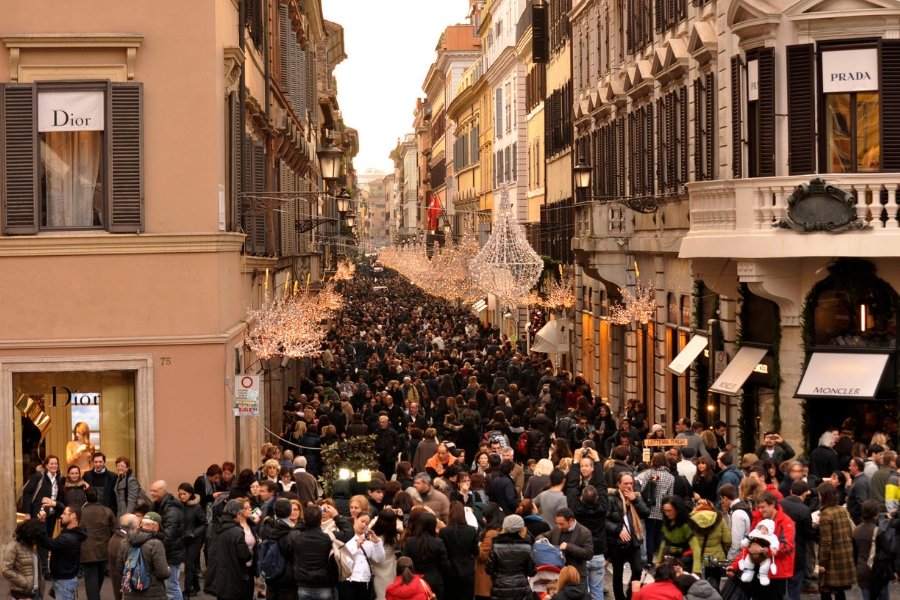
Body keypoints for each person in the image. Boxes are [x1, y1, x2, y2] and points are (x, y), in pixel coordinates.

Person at [606, 471, 649, 600]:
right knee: (618, 574)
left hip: (634, 540)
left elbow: (646, 513)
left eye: (631, 483)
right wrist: (617, 530)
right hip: (617, 542)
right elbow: (604, 520)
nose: (629, 486)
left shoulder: (636, 497)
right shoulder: (611, 499)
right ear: (619, 484)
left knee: (637, 569)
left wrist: (635, 500)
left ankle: (632, 594)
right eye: (625, 483)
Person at [293, 504, 349, 599]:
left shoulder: (296, 538)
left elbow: (296, 528)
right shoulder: (328, 538)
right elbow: (348, 532)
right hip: (324, 585)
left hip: (303, 586)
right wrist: (336, 516)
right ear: (320, 520)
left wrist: (308, 515)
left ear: (304, 520)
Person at [205, 499, 254, 600]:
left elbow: (207, 549)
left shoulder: (213, 527)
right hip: (234, 577)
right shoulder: (237, 532)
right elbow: (245, 555)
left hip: (217, 575)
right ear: (238, 513)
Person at [116, 512, 171, 600]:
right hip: (154, 595)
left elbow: (120, 568)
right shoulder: (156, 544)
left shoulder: (124, 542)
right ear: (155, 526)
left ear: (141, 524)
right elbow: (163, 573)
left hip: (130, 594)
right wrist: (167, 569)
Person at [37, 505, 87, 600]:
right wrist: (54, 503)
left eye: (64, 514)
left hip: (64, 582)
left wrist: (42, 522)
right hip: (66, 578)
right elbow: (62, 510)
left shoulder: (68, 538)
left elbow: (48, 543)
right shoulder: (75, 532)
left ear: (73, 516)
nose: (61, 516)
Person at [815, 482, 855, 600]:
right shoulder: (842, 510)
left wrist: (822, 562)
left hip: (832, 558)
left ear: (823, 496)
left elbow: (826, 542)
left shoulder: (825, 514)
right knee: (839, 590)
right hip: (845, 554)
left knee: (825, 589)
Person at [401, 509, 451, 598]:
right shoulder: (438, 542)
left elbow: (404, 561)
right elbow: (446, 565)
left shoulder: (409, 541)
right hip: (435, 581)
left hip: (414, 580)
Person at [543, 508, 594, 595]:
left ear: (571, 520)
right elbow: (545, 535)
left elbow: (588, 554)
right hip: (558, 576)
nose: (559, 526)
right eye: (557, 523)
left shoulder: (584, 532)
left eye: (562, 524)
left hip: (576, 577)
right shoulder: (557, 529)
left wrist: (568, 547)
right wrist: (541, 538)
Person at [149, 480, 186, 600]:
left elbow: (169, 536)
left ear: (163, 491)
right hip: (165, 552)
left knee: (171, 587)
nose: (152, 493)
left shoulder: (172, 509)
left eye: (155, 491)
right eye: (151, 490)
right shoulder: (157, 505)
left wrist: (157, 552)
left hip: (171, 554)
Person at [779, 481, 815, 600]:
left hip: (779, 551)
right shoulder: (804, 510)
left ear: (791, 491)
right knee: (794, 589)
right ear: (805, 494)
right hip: (796, 554)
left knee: (780, 590)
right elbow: (809, 535)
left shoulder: (779, 505)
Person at [486, 515, 535, 600]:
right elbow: (532, 571)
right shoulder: (526, 547)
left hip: (500, 588)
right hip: (521, 588)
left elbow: (489, 570)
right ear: (521, 528)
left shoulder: (496, 546)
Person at [339, 511, 386, 600]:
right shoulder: (346, 535)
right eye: (362, 521)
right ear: (356, 519)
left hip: (364, 580)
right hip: (348, 579)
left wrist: (376, 542)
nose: (364, 525)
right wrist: (356, 545)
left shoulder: (369, 539)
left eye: (367, 523)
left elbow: (380, 559)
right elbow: (342, 556)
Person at [80, 487, 117, 600]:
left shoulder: (81, 512)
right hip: (104, 549)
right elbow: (115, 528)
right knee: (99, 578)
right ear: (98, 497)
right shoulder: (107, 511)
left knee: (91, 581)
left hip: (87, 550)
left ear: (85, 497)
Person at [852, 500, 892, 600]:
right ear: (876, 515)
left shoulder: (856, 531)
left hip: (862, 570)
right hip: (877, 571)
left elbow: (854, 553)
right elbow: (888, 552)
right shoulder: (878, 532)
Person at [439, 501, 478, 600]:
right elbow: (475, 552)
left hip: (450, 573)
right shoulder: (471, 530)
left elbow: (443, 553)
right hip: (467, 571)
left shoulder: (444, 532)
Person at [688, 499, 730, 587]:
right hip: (715, 559)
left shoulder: (690, 520)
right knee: (714, 587)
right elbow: (727, 540)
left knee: (696, 588)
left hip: (697, 560)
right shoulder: (719, 518)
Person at [655, 496, 701, 575]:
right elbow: (664, 542)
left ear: (677, 510)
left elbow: (696, 548)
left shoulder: (686, 525)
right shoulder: (667, 522)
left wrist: (696, 570)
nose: (667, 513)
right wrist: (658, 561)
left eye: (669, 511)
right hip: (669, 561)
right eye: (665, 511)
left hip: (684, 563)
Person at [2, 519, 45, 600]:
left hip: (36, 591)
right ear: (29, 534)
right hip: (22, 593)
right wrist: (25, 583)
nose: (36, 541)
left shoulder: (31, 546)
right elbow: (6, 570)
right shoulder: (13, 546)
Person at [20, 455, 64, 535]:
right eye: (51, 463)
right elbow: (27, 493)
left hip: (52, 515)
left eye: (56, 463)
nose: (54, 466)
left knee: (48, 539)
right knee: (38, 540)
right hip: (38, 515)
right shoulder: (38, 477)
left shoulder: (59, 479)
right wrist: (27, 513)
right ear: (46, 465)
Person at [177, 483, 206, 599]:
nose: (182, 496)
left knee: (189, 565)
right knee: (190, 565)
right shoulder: (179, 506)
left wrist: (194, 534)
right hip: (182, 539)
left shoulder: (196, 507)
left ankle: (187, 591)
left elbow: (204, 524)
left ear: (190, 494)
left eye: (184, 494)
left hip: (194, 540)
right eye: (180, 494)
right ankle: (196, 586)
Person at [737, 519, 779, 585]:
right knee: (748, 561)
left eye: (766, 529)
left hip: (764, 556)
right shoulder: (755, 533)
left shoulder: (772, 537)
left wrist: (774, 548)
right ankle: (748, 572)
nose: (764, 531)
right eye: (762, 528)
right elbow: (748, 539)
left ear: (770, 530)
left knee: (765, 565)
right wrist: (744, 544)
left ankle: (763, 575)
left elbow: (775, 543)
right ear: (759, 527)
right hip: (751, 555)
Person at [371, 508, 401, 600]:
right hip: (390, 569)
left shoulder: (372, 535)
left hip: (375, 570)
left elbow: (371, 523)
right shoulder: (395, 536)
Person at [475, 503, 504, 600]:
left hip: (485, 578)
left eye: (485, 517)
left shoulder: (491, 533)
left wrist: (476, 546)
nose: (483, 519)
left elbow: (484, 555)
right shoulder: (500, 530)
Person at [109, 514, 140, 600]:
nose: (139, 528)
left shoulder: (116, 537)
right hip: (124, 587)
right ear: (133, 528)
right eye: (138, 526)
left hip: (120, 585)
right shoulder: (123, 542)